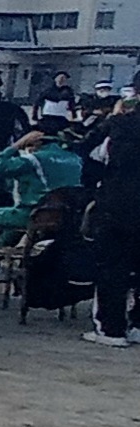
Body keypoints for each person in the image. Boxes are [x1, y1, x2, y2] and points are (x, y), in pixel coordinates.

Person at [82, 97, 140, 347]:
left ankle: (111, 329)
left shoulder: (118, 125)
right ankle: (138, 325)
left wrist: (114, 117)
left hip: (117, 205)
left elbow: (86, 151)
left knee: (112, 267)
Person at [0, 129, 83, 231]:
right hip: (68, 216)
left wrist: (16, 145)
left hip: (33, 215)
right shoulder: (76, 159)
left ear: (36, 142)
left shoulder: (33, 160)